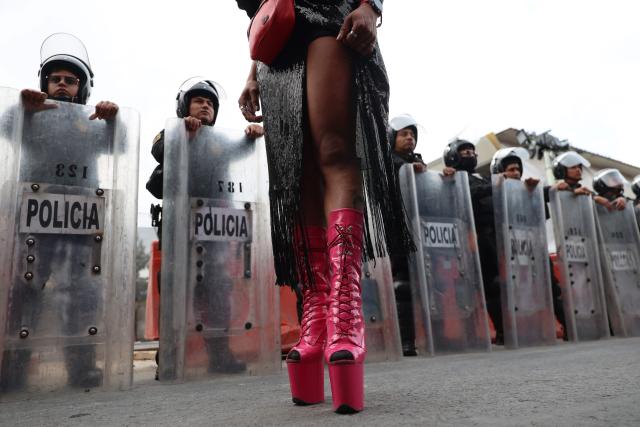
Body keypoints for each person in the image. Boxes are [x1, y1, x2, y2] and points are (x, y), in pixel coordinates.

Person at [235, 0, 414, 414]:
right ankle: (315, 313)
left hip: (329, 16)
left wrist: (371, 6)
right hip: (277, 44)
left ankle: (345, 309)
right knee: (296, 173)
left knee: (334, 151)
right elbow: (257, 9)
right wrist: (251, 69)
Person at [1, 33, 118, 391]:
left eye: (71, 80)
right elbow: (6, 127)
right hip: (36, 217)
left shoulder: (92, 120)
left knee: (83, 292)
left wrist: (112, 119)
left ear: (81, 87)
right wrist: (20, 107)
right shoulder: (32, 116)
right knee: (26, 288)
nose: (63, 85)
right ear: (45, 84)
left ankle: (81, 366)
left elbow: (122, 144)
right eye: (56, 79)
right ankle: (13, 366)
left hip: (82, 222)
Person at [146, 78, 264, 379]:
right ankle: (170, 354)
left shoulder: (221, 142)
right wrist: (179, 132)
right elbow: (158, 148)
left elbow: (242, 150)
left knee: (218, 291)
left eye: (210, 103)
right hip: (180, 229)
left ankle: (220, 354)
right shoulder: (173, 132)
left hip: (215, 233)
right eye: (198, 100)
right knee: (175, 288)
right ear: (184, 107)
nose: (205, 106)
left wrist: (251, 134)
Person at [442, 139, 505, 344]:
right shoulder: (451, 178)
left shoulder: (483, 178)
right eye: (464, 151)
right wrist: (493, 185)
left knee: (494, 285)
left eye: (471, 150)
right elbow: (466, 195)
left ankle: (503, 331)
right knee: (466, 287)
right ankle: (466, 334)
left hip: (490, 238)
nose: (469, 153)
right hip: (468, 237)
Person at [388, 114, 424, 356]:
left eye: (412, 134)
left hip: (419, 232)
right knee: (401, 285)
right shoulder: (387, 162)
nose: (410, 138)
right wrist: (409, 169)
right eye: (404, 134)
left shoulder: (418, 165)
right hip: (395, 230)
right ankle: (405, 342)